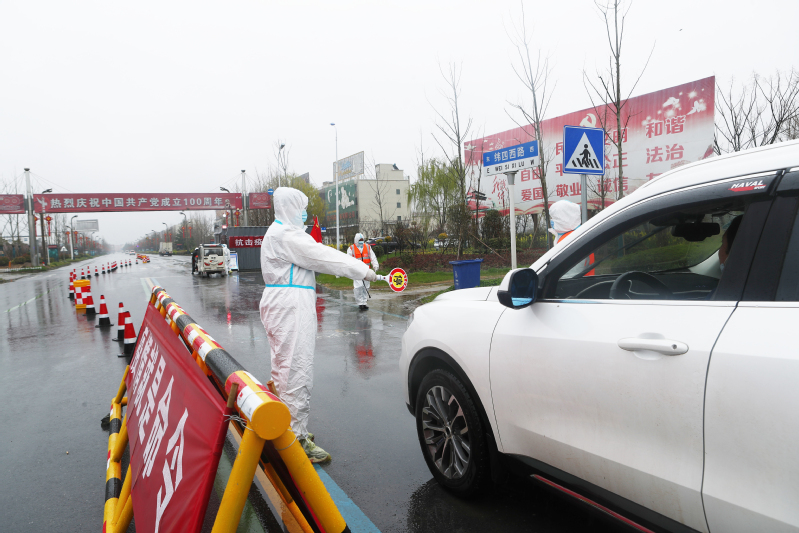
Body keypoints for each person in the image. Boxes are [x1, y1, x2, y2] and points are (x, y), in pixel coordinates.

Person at [259, 188, 383, 464]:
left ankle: (285, 427)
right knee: (297, 370)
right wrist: (365, 272)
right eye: (301, 208)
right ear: (291, 207)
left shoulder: (277, 232)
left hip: (283, 304)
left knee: (283, 368)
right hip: (291, 306)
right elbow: (325, 257)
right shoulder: (287, 236)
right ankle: (295, 439)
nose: (304, 213)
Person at [347, 233, 379, 310]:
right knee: (358, 287)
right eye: (360, 240)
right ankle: (360, 303)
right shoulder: (351, 249)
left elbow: (373, 257)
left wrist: (375, 265)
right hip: (357, 272)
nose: (361, 241)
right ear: (356, 240)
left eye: (362, 240)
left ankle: (364, 303)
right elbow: (348, 260)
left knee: (366, 287)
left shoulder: (367, 247)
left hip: (366, 271)